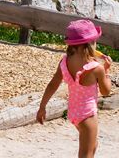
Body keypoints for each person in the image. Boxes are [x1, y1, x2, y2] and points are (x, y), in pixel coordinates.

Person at [37, 19, 112, 157]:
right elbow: (106, 91)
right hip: (88, 116)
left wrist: (42, 107)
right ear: (89, 44)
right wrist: (106, 70)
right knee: (86, 154)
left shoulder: (64, 62)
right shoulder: (97, 68)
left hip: (74, 113)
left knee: (93, 145)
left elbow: (53, 84)